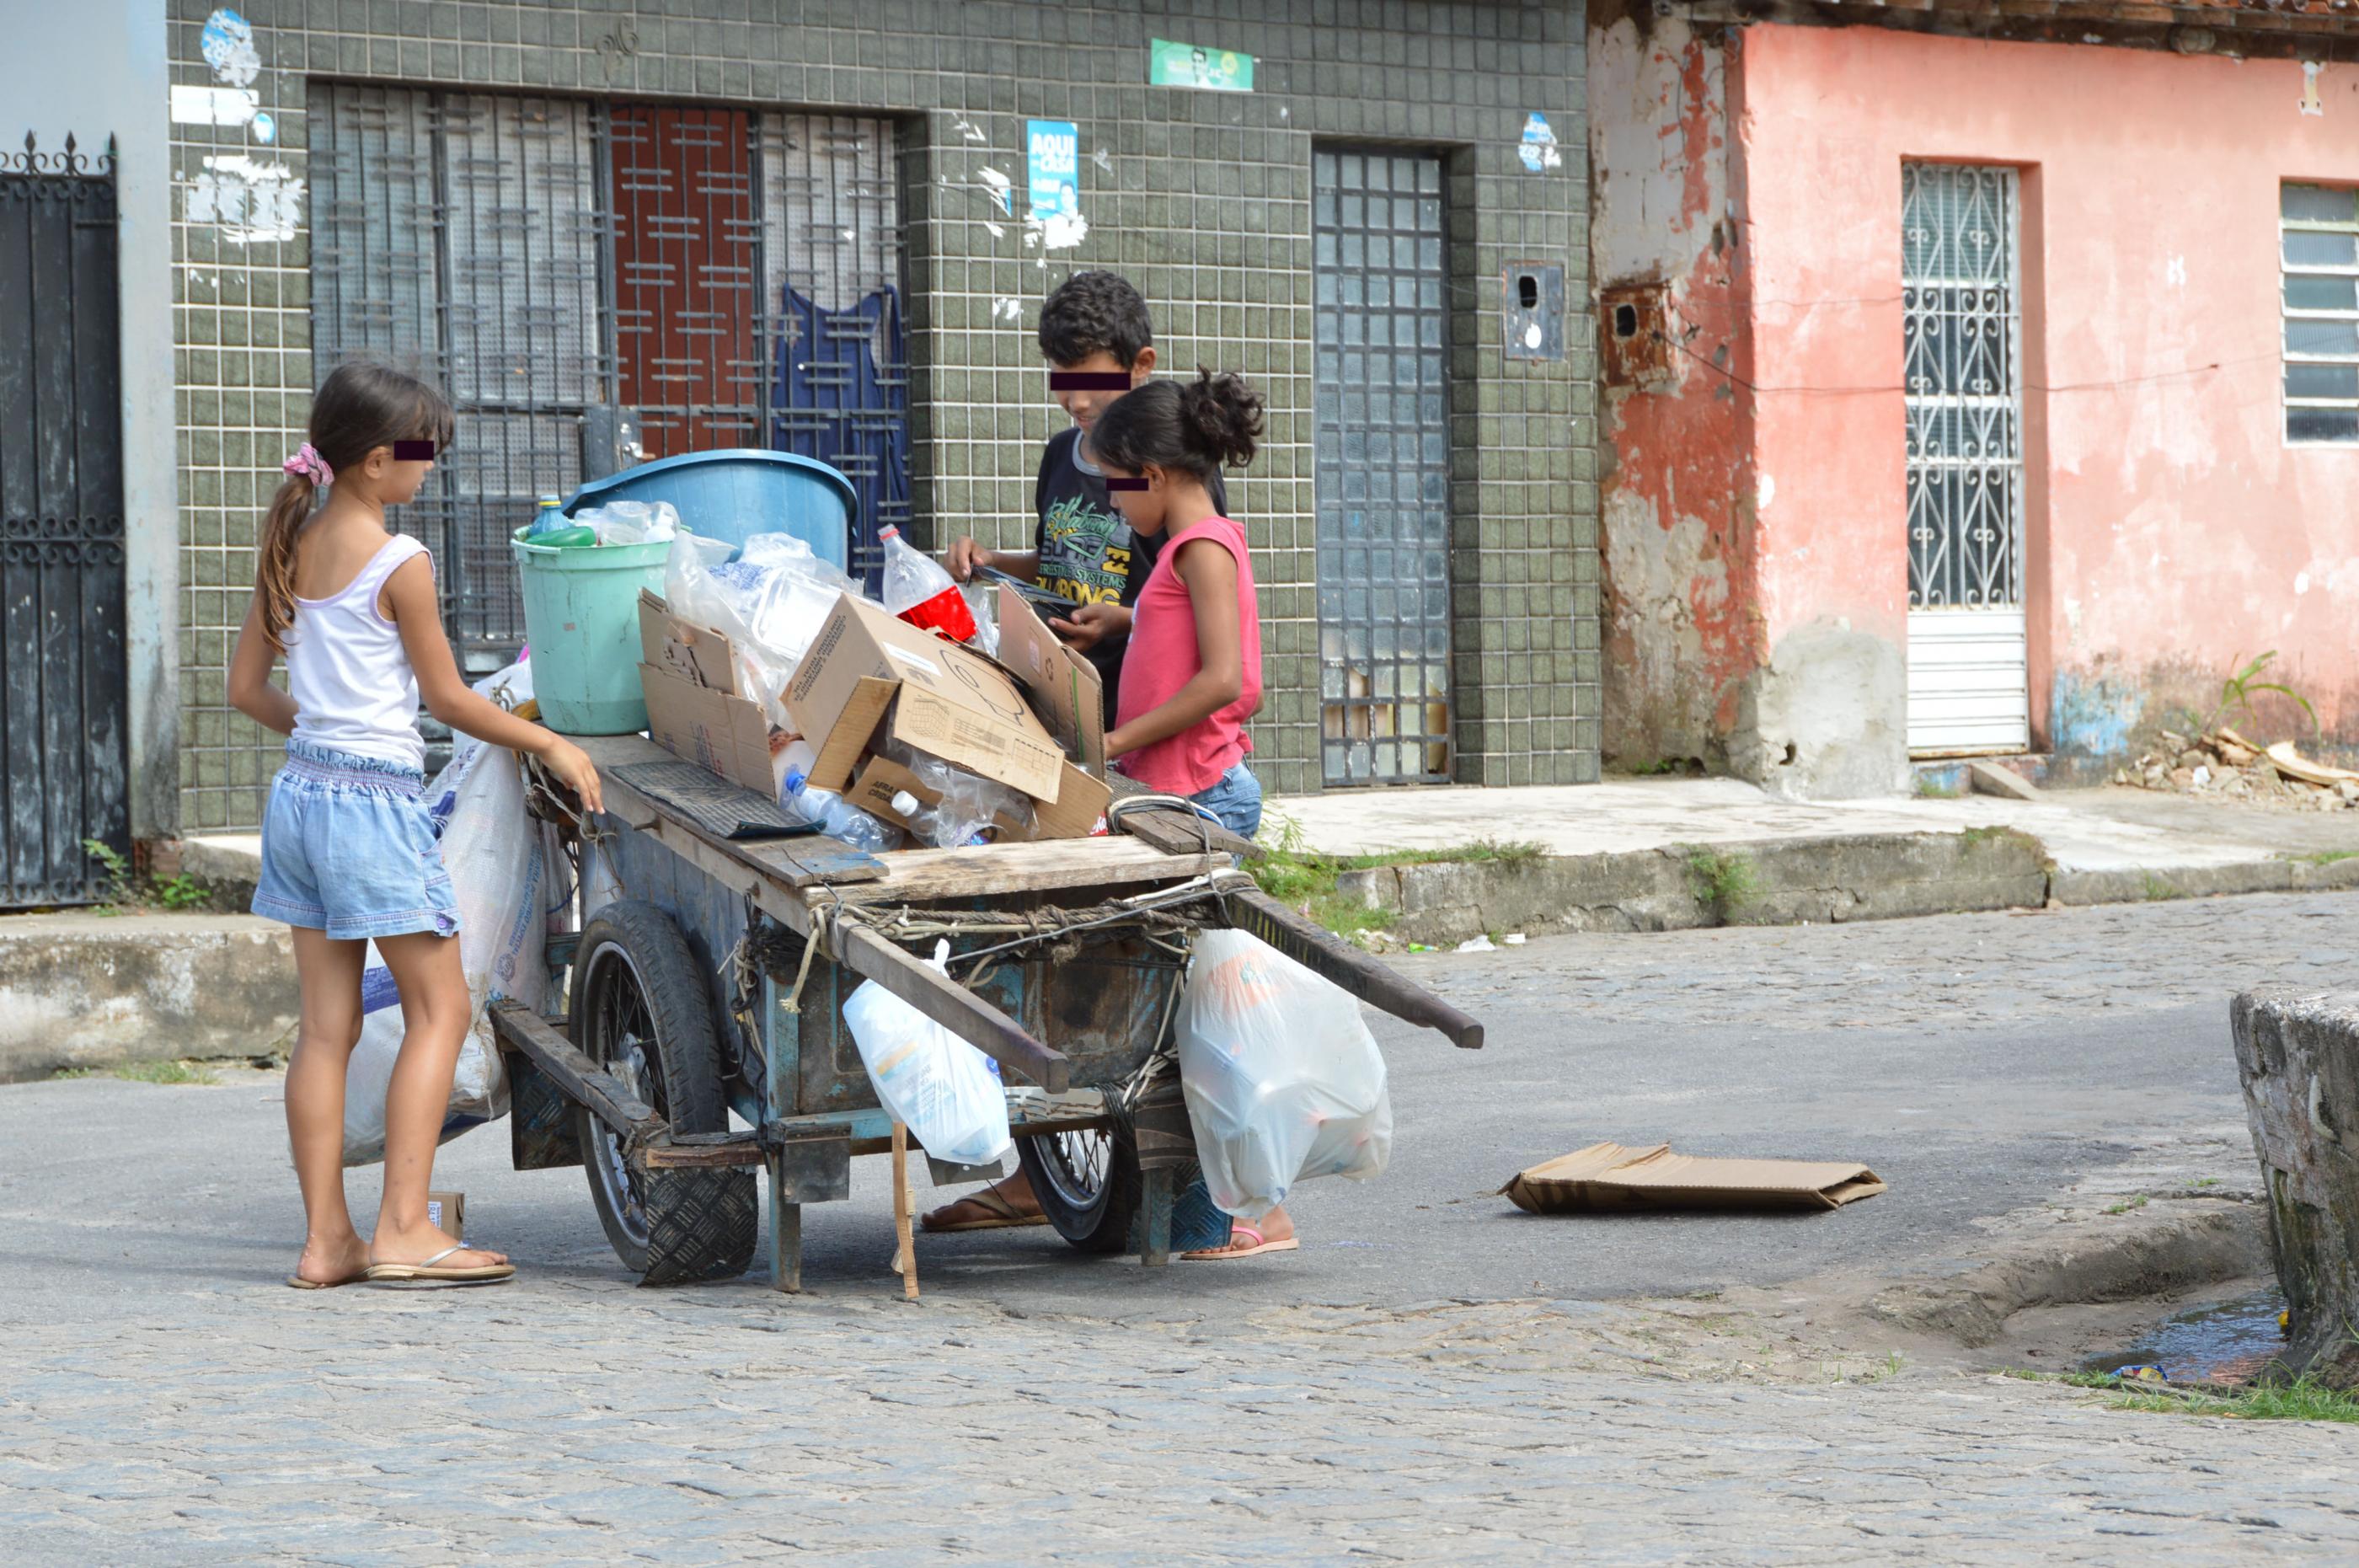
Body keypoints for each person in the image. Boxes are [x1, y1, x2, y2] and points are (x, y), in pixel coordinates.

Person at [227, 361, 603, 1290]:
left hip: (301, 798)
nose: (430, 465)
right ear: (368, 462)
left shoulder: (290, 545)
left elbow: (245, 692)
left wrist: (325, 738)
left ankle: (328, 1241)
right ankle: (403, 1226)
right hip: (369, 811)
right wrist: (549, 742)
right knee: (441, 1007)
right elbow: (447, 698)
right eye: (419, 449)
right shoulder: (401, 561)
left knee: (325, 1028)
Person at [1083, 368, 1292, 1260]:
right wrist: (1124, 624)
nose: (1110, 499)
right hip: (1174, 791)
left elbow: (1228, 681)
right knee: (1183, 1023)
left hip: (1200, 797)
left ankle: (1255, 1211)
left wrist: (1117, 737)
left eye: (1116, 481)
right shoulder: (1184, 551)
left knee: (1206, 1026)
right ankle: (1221, 1214)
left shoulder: (1203, 543)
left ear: (1156, 473)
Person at [943, 270, 1227, 735]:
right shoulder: (1059, 455)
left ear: (1141, 364)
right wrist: (991, 561)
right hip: (1055, 701)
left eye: (1092, 382)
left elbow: (1208, 601)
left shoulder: (1169, 472)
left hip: (1137, 716)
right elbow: (1061, 560)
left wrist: (1124, 621)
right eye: (1061, 380)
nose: (1075, 402)